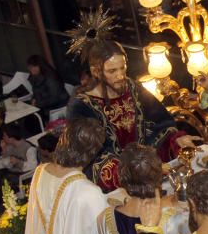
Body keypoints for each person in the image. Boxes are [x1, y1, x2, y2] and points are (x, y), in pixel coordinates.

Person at [67, 36, 196, 192]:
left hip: (152, 169)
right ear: (96, 71)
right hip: (117, 183)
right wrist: (134, 172)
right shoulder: (81, 107)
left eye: (123, 68)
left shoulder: (132, 88)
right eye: (112, 71)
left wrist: (175, 139)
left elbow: (160, 121)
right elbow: (89, 155)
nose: (120, 76)